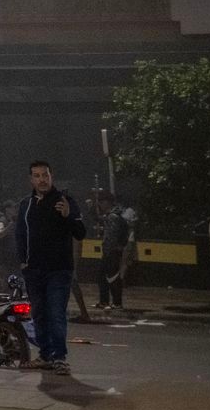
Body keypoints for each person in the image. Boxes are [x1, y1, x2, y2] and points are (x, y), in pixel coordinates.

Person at [15, 160, 85, 374]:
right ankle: (44, 355)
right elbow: (20, 234)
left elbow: (80, 232)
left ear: (51, 176)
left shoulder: (65, 201)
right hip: (34, 270)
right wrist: (23, 261)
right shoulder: (26, 204)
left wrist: (68, 216)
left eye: (45, 175)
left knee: (56, 313)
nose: (42, 179)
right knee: (39, 314)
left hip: (58, 269)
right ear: (31, 179)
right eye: (37, 176)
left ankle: (59, 357)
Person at [95, 191, 132, 311]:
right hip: (113, 250)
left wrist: (109, 249)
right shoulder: (115, 215)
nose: (100, 204)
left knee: (111, 277)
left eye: (101, 202)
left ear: (107, 202)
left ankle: (115, 303)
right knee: (105, 276)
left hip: (111, 251)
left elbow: (112, 236)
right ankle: (105, 301)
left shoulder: (112, 217)